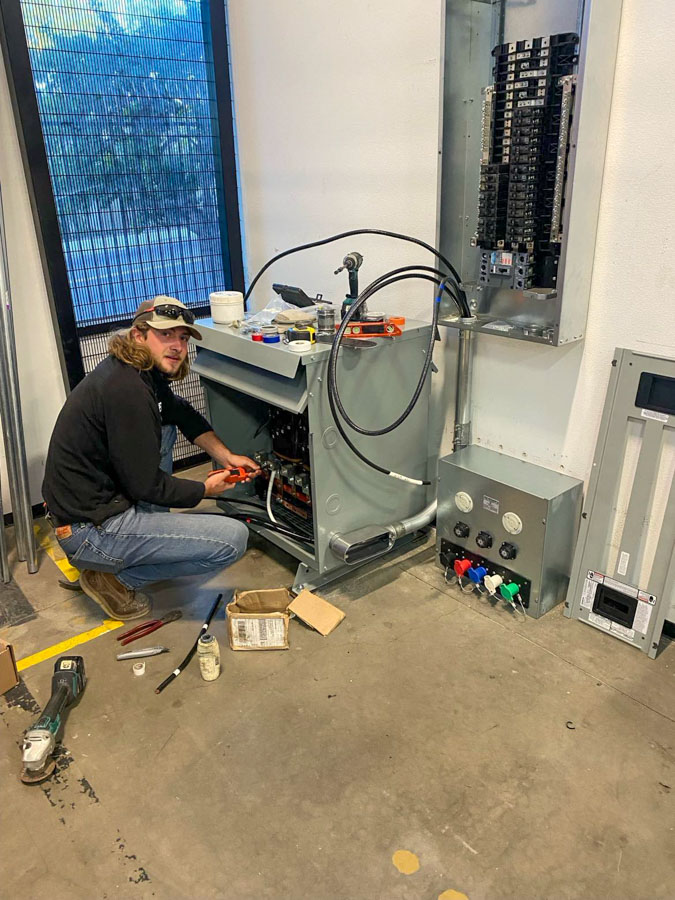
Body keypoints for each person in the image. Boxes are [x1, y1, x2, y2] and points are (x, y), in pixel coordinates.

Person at [42, 296, 259, 621]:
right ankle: (115, 579)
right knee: (233, 539)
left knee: (166, 426)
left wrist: (225, 455)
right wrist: (205, 490)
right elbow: (146, 485)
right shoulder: (126, 390)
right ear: (138, 335)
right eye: (165, 334)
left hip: (92, 506)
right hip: (87, 530)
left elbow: (178, 411)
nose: (177, 346)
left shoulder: (134, 371)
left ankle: (130, 548)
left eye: (182, 338)